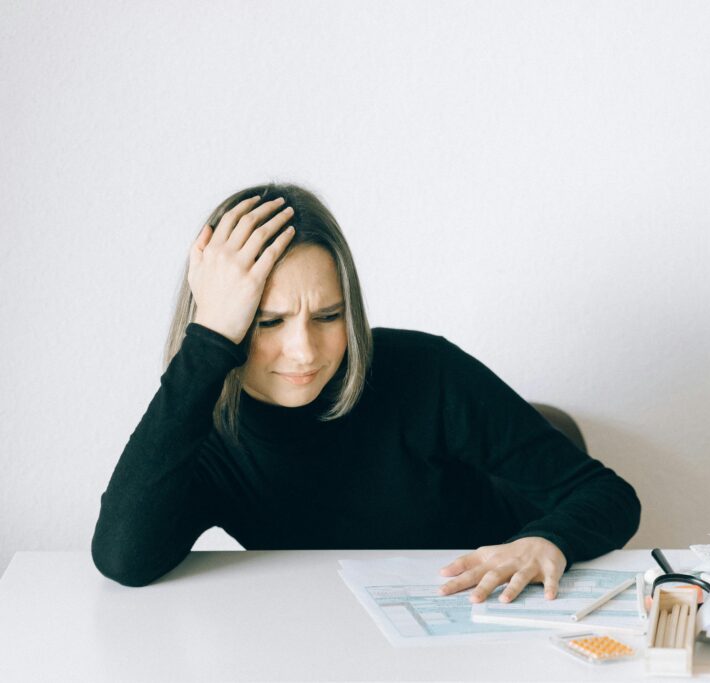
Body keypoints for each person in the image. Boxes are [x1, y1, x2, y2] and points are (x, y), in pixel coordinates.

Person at [91, 183, 641, 602]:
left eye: (328, 316)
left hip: (481, 616)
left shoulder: (426, 371)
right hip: (336, 636)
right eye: (268, 322)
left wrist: (549, 539)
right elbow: (123, 559)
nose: (304, 352)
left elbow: (608, 495)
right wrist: (206, 344)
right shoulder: (204, 430)